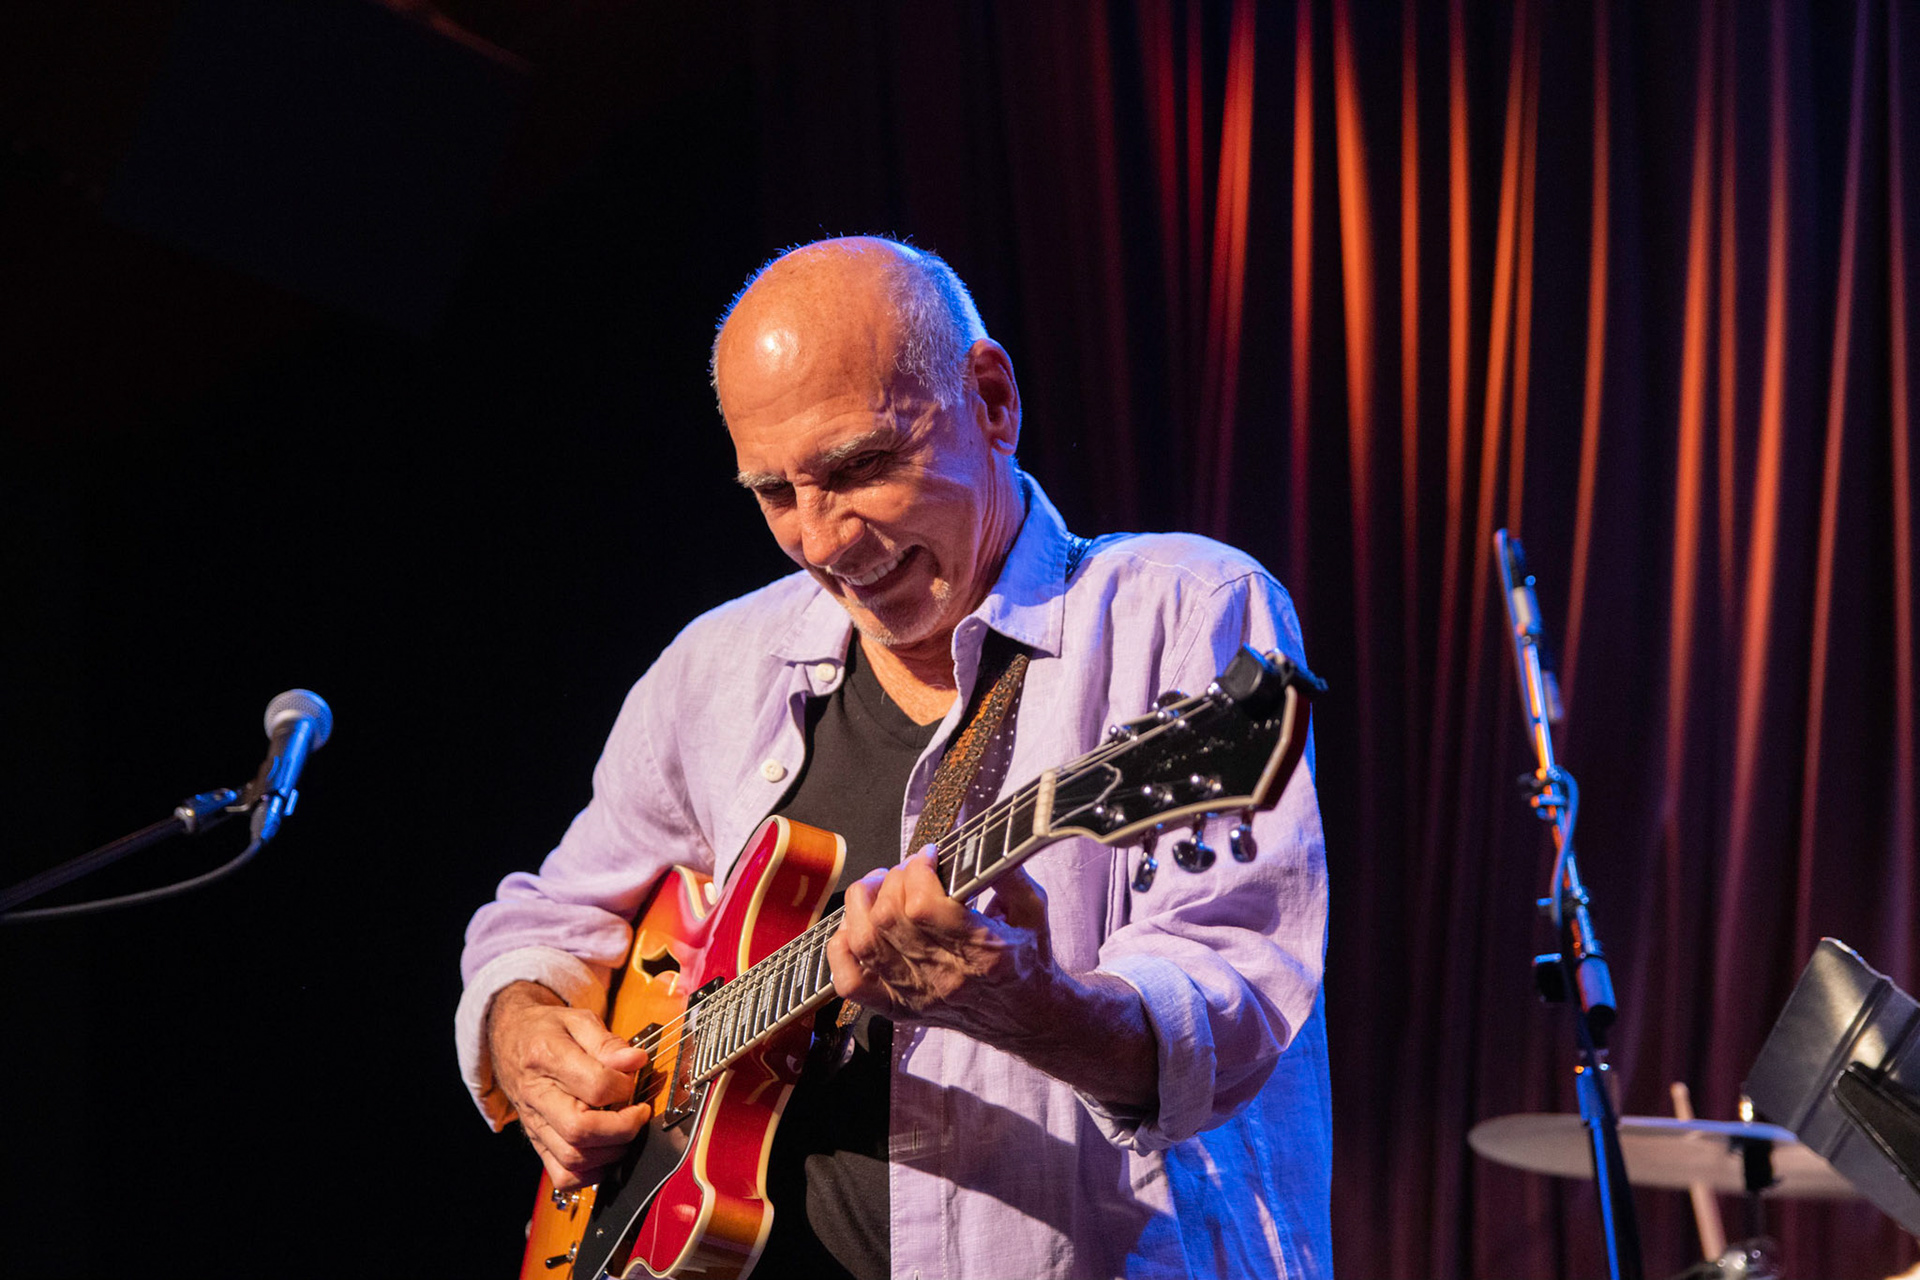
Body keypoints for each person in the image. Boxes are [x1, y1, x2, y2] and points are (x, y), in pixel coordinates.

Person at [456, 236, 1332, 1279]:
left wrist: (1033, 1005)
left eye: (859, 467)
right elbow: (543, 916)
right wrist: (521, 1027)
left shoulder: (1179, 611)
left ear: (992, 401)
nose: (821, 539)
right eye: (775, 492)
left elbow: (1237, 1004)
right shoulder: (713, 666)